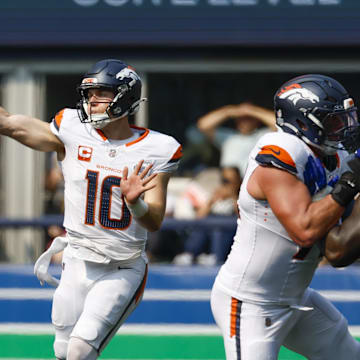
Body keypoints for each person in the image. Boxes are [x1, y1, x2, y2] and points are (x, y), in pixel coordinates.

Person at [0, 59, 182, 360]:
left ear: (125, 96)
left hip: (121, 267)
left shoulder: (158, 149)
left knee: (80, 350)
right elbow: (8, 124)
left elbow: (154, 221)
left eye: (101, 93)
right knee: (62, 350)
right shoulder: (70, 131)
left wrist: (135, 201)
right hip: (76, 260)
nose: (92, 100)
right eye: (89, 93)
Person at [210, 74, 360, 359]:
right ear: (303, 122)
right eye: (333, 121)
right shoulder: (281, 154)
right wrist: (351, 183)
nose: (343, 128)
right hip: (250, 304)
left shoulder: (333, 157)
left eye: (346, 118)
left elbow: (337, 249)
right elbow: (305, 230)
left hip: (294, 298)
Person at [173, 166, 241, 266]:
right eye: (225, 180)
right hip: (211, 226)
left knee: (219, 229)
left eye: (231, 181)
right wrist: (212, 201)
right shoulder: (216, 194)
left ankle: (216, 257)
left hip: (229, 229)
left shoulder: (243, 196)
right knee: (204, 225)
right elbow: (199, 217)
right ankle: (189, 254)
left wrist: (234, 197)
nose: (227, 184)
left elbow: (242, 216)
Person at [197, 102, 276, 178]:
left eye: (248, 119)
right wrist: (229, 111)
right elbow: (203, 125)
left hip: (252, 182)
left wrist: (253, 111)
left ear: (256, 120)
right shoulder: (228, 137)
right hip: (228, 183)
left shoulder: (263, 135)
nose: (244, 122)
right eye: (241, 119)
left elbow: (279, 125)